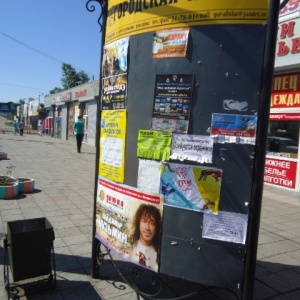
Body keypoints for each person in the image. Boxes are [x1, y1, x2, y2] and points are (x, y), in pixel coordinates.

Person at [130, 204, 162, 271]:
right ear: (138, 223)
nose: (147, 228)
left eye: (152, 223)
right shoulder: (132, 247)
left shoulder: (160, 252)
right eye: (144, 221)